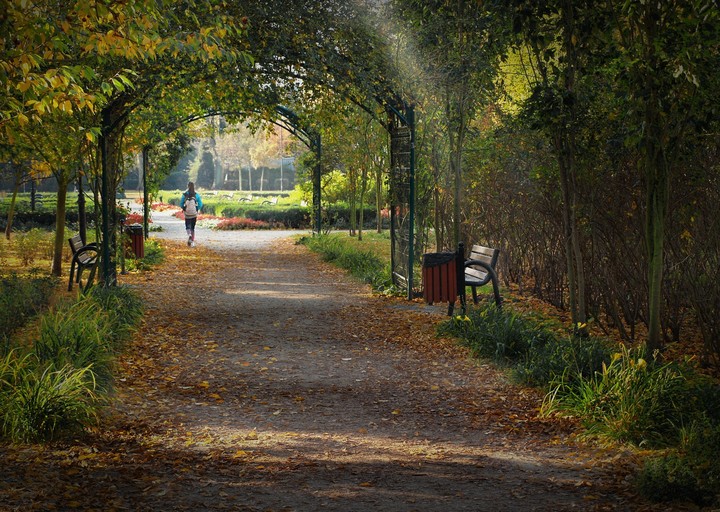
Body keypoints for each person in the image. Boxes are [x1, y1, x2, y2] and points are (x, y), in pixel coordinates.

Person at [180, 181, 203, 247]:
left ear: (187, 186)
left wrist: (184, 208)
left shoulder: (184, 194)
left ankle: (189, 235)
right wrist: (196, 208)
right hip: (194, 214)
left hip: (187, 214)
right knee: (192, 227)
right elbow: (200, 204)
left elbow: (181, 203)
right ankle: (192, 242)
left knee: (188, 226)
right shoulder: (196, 195)